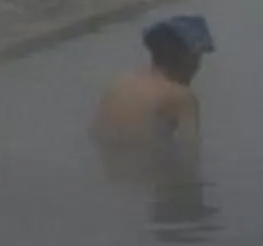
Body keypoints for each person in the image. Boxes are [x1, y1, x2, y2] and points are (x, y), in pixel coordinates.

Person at [90, 14, 214, 162]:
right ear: (189, 58)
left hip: (111, 171)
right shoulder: (181, 98)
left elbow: (97, 136)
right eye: (198, 57)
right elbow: (191, 156)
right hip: (145, 172)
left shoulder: (120, 83)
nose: (198, 66)